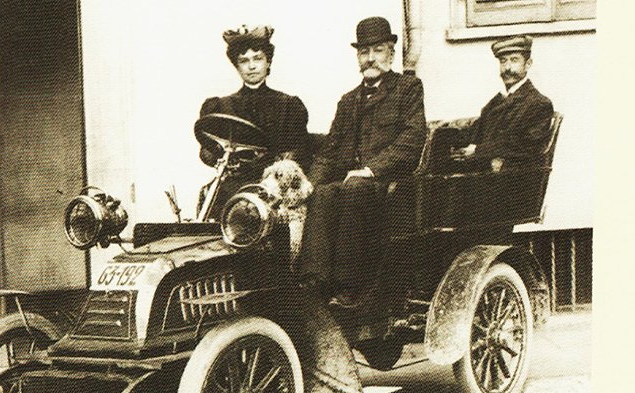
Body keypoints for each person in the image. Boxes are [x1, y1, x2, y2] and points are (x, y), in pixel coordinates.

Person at [299, 17, 427, 308]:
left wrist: (370, 170)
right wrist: (308, 184)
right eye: (364, 52)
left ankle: (349, 287)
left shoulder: (408, 88)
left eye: (378, 50)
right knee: (323, 193)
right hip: (353, 182)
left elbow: (411, 140)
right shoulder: (348, 100)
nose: (370, 58)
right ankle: (315, 280)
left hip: (391, 182)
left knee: (354, 188)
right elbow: (329, 151)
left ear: (390, 53)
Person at [198, 25, 310, 218]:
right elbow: (207, 151)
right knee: (212, 196)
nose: (251, 66)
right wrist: (219, 157)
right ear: (237, 66)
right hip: (233, 181)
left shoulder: (288, 105)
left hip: (272, 185)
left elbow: (298, 150)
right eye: (244, 61)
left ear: (268, 62)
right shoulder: (221, 106)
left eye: (258, 59)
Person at [450, 35, 554, 172]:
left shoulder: (538, 103)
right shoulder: (497, 101)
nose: (507, 68)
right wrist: (448, 141)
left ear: (528, 64)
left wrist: (477, 150)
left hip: (513, 176)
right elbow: (476, 131)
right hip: (488, 172)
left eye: (514, 60)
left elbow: (526, 145)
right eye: (503, 61)